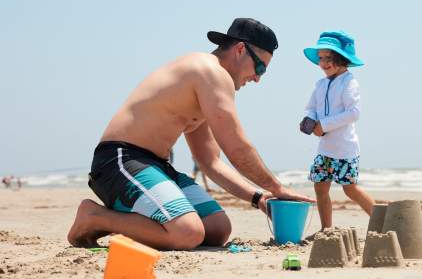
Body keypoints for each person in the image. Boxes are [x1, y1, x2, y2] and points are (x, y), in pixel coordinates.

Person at [67, 18, 313, 250]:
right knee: (188, 232)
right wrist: (277, 188)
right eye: (260, 67)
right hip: (120, 161)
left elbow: (210, 161)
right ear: (240, 50)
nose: (258, 78)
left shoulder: (206, 82)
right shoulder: (210, 72)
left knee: (217, 228)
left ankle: (134, 224)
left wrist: (258, 197)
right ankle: (94, 216)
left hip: (155, 165)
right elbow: (236, 148)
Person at [301, 31, 375, 229]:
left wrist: (323, 125)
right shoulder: (320, 84)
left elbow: (354, 113)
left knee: (350, 190)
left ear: (342, 59)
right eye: (321, 58)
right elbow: (311, 108)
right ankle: (326, 230)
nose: (323, 63)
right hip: (325, 148)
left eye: (329, 58)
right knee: (320, 188)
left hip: (344, 149)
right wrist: (310, 120)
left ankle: (380, 220)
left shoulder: (349, 83)